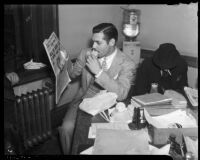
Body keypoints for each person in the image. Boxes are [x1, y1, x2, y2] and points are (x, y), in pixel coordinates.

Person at [58, 23, 136, 154]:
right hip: (83, 100)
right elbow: (73, 74)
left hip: (109, 106)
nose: (93, 46)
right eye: (93, 41)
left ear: (111, 42)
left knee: (99, 139)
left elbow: (122, 94)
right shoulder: (86, 53)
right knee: (66, 128)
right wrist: (64, 63)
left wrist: (99, 72)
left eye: (98, 43)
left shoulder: (127, 63)